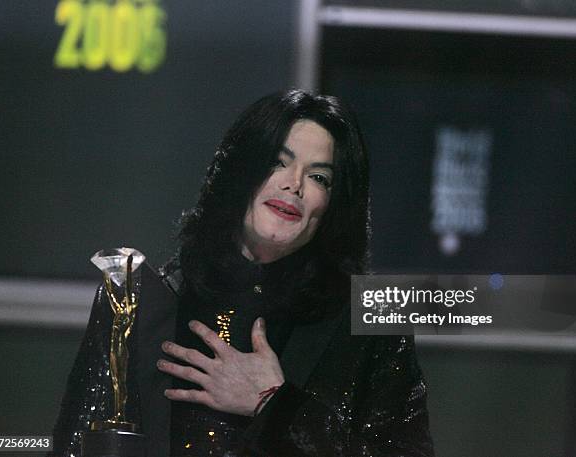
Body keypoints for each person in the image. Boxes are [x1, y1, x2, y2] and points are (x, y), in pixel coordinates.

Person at [52, 89, 434, 457]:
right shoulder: (135, 300)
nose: (294, 184)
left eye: (319, 177)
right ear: (238, 170)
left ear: (334, 205)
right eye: (277, 161)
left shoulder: (371, 320)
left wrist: (273, 405)